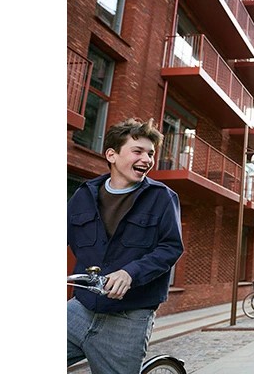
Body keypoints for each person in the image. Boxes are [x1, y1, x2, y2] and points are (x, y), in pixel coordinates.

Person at [67, 118, 184, 373]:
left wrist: (130, 273)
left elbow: (171, 248)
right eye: (138, 151)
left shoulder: (162, 197)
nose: (147, 159)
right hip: (81, 308)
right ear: (112, 154)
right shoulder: (83, 195)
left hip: (129, 318)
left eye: (150, 153)